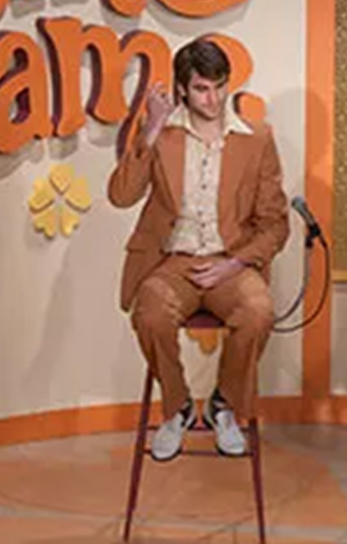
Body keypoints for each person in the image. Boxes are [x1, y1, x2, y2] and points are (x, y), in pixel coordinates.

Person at [108, 37, 290, 460]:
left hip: (230, 263)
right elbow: (121, 195)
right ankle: (178, 408)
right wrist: (151, 129)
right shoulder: (162, 134)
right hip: (173, 262)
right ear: (182, 90)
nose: (213, 98)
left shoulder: (257, 138)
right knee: (150, 314)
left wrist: (234, 264)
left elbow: (275, 224)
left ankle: (225, 404)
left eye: (220, 86)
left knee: (258, 311)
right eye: (202, 89)